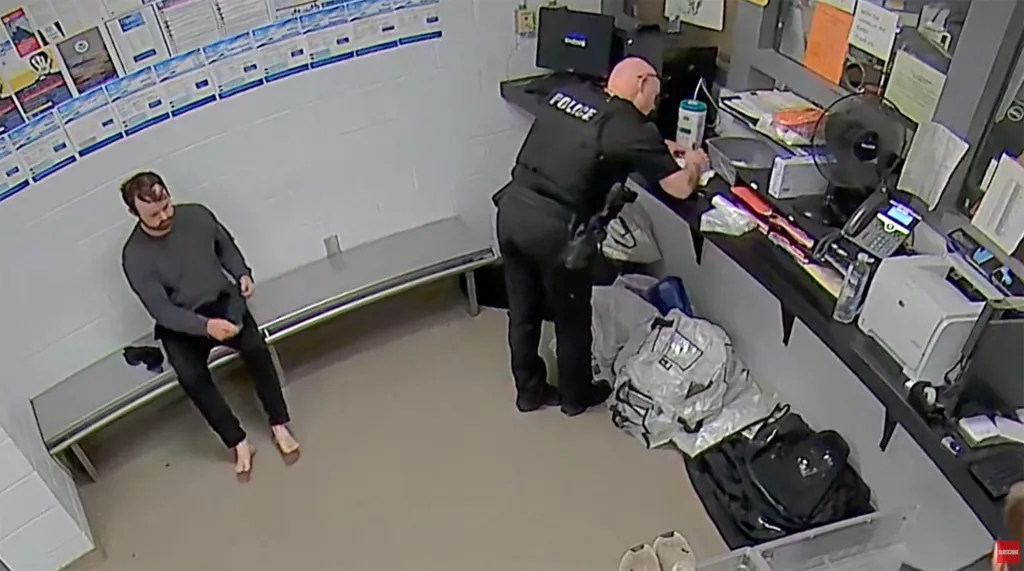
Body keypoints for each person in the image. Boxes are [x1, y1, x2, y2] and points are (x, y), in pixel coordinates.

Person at [494, 57, 709, 416]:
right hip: (557, 232)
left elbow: (594, 134)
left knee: (523, 310)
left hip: (513, 210)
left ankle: (528, 393)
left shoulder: (570, 92)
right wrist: (694, 164)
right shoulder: (632, 129)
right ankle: (576, 397)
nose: (653, 107)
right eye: (653, 97)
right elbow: (681, 188)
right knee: (572, 317)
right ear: (642, 83)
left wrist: (660, 146)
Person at [120, 172, 299, 481]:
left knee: (256, 349)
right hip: (181, 321)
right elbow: (161, 310)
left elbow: (225, 245)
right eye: (153, 214)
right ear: (134, 214)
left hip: (220, 300)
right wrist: (206, 328)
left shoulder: (197, 215)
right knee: (191, 377)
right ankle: (238, 441)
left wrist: (242, 272)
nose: (164, 216)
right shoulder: (134, 256)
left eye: (166, 205)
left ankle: (279, 423)